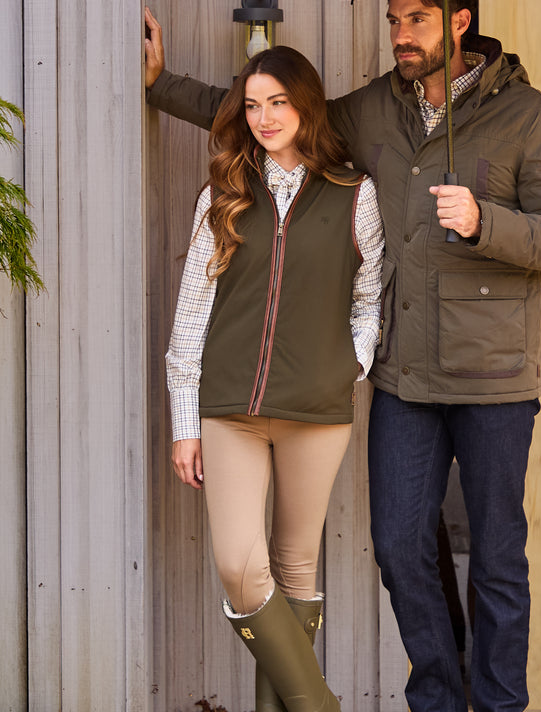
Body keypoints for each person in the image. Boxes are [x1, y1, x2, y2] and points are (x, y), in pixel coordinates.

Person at [146, 0, 541, 712]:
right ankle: (440, 699)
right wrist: (160, 85)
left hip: (495, 379)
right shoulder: (377, 108)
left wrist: (488, 222)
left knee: (496, 559)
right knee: (400, 548)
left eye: (415, 20)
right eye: (393, 21)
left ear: (460, 21)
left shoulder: (530, 118)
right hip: (404, 378)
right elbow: (273, 116)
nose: (400, 36)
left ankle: (500, 702)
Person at [161, 35, 384, 712]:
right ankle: (319, 705)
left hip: (317, 410)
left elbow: (370, 297)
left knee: (295, 568)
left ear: (304, 106)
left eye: (278, 101)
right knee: (239, 565)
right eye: (253, 105)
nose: (263, 117)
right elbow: (192, 310)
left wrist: (351, 365)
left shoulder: (355, 195)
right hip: (230, 409)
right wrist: (184, 420)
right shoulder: (225, 193)